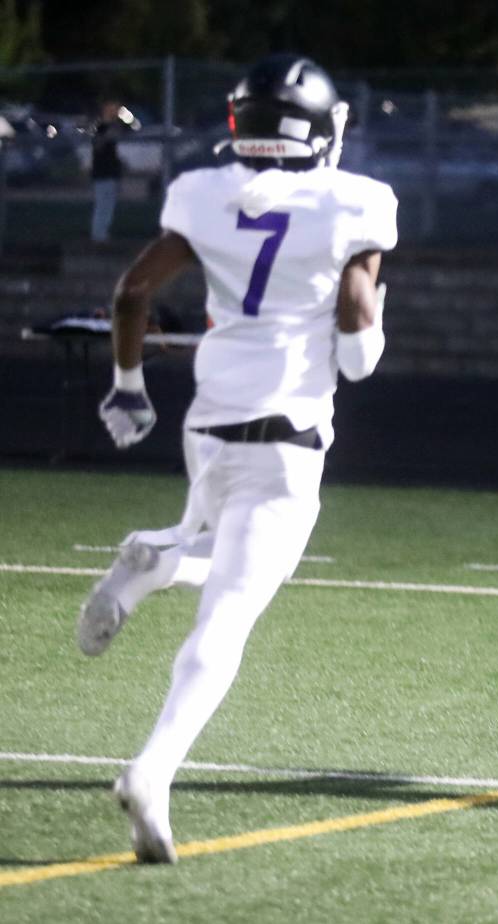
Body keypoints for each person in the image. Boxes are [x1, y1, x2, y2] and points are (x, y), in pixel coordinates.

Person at [76, 54, 398, 863]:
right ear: (323, 131)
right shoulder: (355, 201)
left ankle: (154, 558)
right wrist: (367, 318)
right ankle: (153, 770)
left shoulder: (202, 191)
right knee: (230, 610)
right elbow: (358, 356)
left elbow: (130, 293)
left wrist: (127, 387)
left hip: (210, 423)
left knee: (223, 559)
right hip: (289, 437)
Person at [90, 100, 125, 243]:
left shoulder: (113, 127)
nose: (115, 111)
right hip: (102, 172)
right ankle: (98, 234)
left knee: (109, 205)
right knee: (102, 204)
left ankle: (103, 233)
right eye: (112, 108)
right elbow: (98, 146)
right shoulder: (100, 127)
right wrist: (107, 135)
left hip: (111, 172)